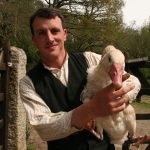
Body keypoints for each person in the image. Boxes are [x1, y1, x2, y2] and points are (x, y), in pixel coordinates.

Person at [19, 7, 141, 150]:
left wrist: (124, 97)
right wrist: (91, 109)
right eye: (41, 33)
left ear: (64, 34)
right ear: (34, 39)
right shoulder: (27, 83)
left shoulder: (90, 59)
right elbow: (44, 127)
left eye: (54, 31)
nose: (50, 38)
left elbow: (133, 82)